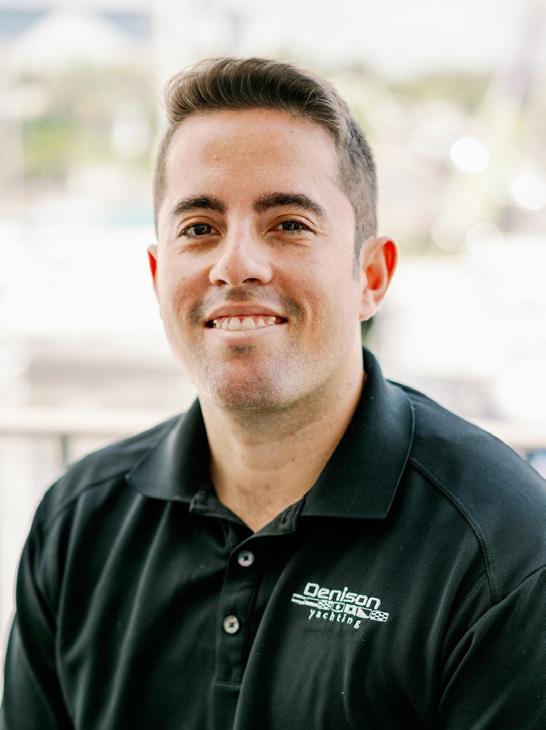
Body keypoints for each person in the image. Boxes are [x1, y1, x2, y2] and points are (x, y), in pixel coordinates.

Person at [1, 57, 545, 730]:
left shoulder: (501, 548)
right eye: (199, 228)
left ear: (372, 276)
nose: (236, 265)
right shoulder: (78, 522)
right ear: (157, 275)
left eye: (288, 224)